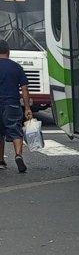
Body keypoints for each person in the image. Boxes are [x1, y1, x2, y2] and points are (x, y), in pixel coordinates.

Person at [0, 39, 32, 172]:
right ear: (8, 52)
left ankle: (0, 160)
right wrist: (28, 108)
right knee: (15, 130)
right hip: (12, 103)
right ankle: (18, 155)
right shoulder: (16, 67)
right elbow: (24, 88)